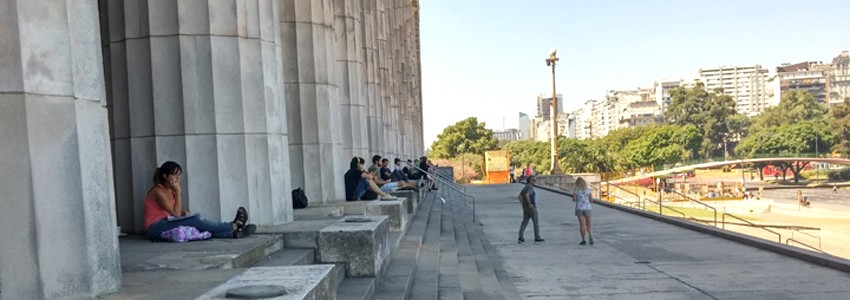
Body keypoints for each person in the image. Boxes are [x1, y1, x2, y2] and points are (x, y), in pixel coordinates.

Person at [144, 161, 256, 241]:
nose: (178, 179)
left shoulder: (171, 190)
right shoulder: (158, 191)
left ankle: (232, 234)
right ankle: (233, 226)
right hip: (155, 227)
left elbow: (174, 211)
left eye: (179, 175)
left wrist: (183, 212)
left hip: (166, 222)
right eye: (175, 175)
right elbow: (175, 214)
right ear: (165, 176)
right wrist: (178, 193)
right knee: (195, 220)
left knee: (197, 228)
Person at [518, 176, 544, 243]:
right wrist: (530, 204)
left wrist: (523, 204)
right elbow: (527, 195)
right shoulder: (530, 187)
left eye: (535, 180)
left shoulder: (525, 187)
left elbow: (519, 196)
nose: (535, 181)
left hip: (525, 208)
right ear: (530, 181)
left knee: (524, 222)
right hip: (531, 207)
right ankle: (537, 237)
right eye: (533, 180)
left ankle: (520, 237)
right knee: (535, 222)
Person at [572, 177, 593, 245]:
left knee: (582, 225)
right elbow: (591, 200)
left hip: (579, 208)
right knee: (589, 224)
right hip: (587, 208)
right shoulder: (588, 190)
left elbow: (574, 200)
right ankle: (590, 235)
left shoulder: (576, 190)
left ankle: (583, 240)